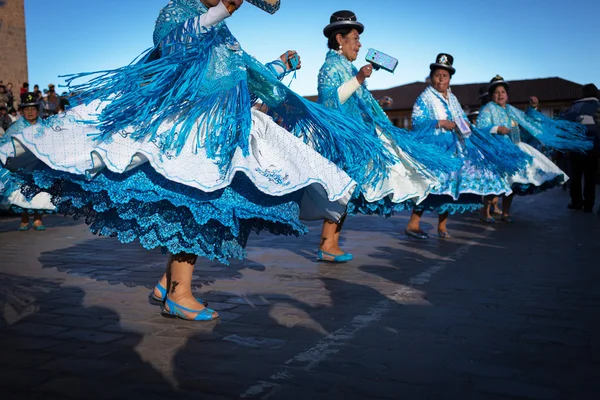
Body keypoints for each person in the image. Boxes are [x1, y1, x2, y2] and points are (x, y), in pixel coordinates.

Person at [0, 0, 389, 321]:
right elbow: (176, 46)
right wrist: (220, 11)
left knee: (209, 206)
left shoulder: (223, 30)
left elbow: (241, 72)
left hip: (224, 129)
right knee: (196, 206)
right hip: (191, 129)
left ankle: (168, 284)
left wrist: (280, 66)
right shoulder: (176, 12)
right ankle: (179, 292)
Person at [317, 11, 461, 259]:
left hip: (356, 137)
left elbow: (354, 102)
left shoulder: (347, 67)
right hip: (343, 139)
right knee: (340, 189)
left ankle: (330, 244)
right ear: (339, 39)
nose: (360, 44)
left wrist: (376, 104)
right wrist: (359, 78)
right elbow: (330, 101)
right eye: (354, 38)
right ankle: (327, 243)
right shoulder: (330, 66)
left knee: (347, 190)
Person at [407, 55, 525, 237]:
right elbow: (417, 122)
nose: (441, 79)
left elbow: (461, 119)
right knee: (430, 185)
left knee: (451, 186)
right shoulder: (424, 98)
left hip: (456, 147)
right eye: (437, 75)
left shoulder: (452, 98)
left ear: (449, 79)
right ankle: (413, 224)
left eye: (444, 76)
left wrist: (466, 128)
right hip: (435, 149)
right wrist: (439, 123)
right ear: (431, 77)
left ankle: (442, 226)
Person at [477, 75, 590, 220]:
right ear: (492, 95)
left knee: (513, 183)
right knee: (494, 183)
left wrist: (533, 108)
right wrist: (496, 128)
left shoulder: (511, 110)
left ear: (507, 95)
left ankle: (506, 212)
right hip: (497, 151)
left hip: (515, 150)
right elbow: (480, 128)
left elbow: (527, 122)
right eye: (497, 92)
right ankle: (485, 212)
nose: (500, 95)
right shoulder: (487, 109)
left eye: (503, 92)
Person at [0, 93, 55, 230]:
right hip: (22, 166)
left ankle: (38, 219)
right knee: (22, 192)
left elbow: (53, 144)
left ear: (37, 110)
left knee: (40, 191)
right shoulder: (15, 128)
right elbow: (5, 145)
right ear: (22, 111)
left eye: (33, 109)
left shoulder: (44, 127)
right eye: (26, 109)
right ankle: (24, 218)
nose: (30, 112)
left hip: (40, 166)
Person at [560, 83, 600, 213]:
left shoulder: (574, 108)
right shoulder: (598, 107)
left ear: (583, 93)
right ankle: (589, 204)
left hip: (576, 148)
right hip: (593, 148)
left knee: (576, 176)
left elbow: (564, 127)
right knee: (590, 178)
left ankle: (576, 202)